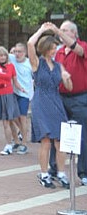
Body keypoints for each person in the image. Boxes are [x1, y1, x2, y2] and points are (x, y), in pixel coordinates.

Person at [28, 23, 72, 189]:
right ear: (46, 48)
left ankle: (61, 173)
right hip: (41, 101)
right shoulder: (37, 63)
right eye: (53, 47)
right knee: (46, 141)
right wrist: (42, 30)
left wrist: (67, 78)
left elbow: (68, 87)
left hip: (56, 101)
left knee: (60, 141)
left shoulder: (59, 65)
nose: (55, 50)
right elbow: (30, 44)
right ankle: (44, 173)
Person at [48, 20, 87, 186]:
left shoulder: (83, 46)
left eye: (65, 30)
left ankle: (83, 172)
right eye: (60, 30)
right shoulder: (58, 52)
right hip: (60, 97)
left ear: (74, 33)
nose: (60, 33)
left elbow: (77, 50)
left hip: (79, 97)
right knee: (56, 135)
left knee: (82, 135)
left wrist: (57, 30)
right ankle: (55, 168)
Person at [9, 42, 32, 154]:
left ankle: (24, 143)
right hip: (13, 92)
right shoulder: (12, 59)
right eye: (15, 51)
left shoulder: (29, 63)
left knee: (22, 117)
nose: (17, 54)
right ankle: (17, 139)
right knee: (12, 117)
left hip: (24, 94)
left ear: (25, 53)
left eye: (20, 52)